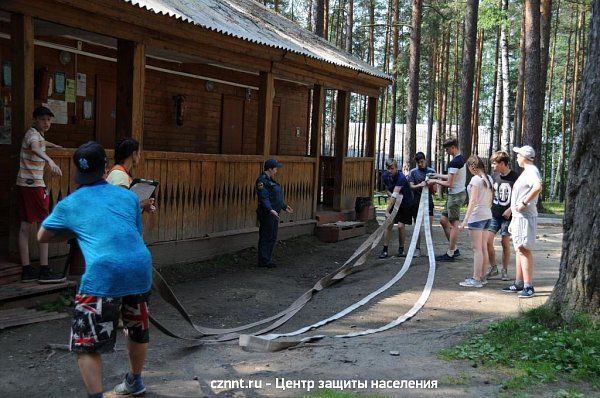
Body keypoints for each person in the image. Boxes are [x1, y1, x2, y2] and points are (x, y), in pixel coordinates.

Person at [38, 141, 153, 397]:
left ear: (78, 173)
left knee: (86, 345)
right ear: (104, 169)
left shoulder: (72, 202)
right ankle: (135, 381)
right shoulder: (128, 196)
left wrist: (78, 230)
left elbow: (42, 235)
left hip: (103, 274)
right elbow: (134, 233)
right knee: (137, 329)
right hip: (139, 267)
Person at [17, 105, 65, 283]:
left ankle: (27, 269)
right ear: (35, 120)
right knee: (43, 225)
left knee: (25, 226)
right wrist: (50, 160)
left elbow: (41, 143)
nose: (46, 123)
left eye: (49, 120)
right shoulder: (32, 135)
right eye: (43, 119)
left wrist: (54, 145)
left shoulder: (35, 135)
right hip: (33, 185)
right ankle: (44, 269)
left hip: (24, 184)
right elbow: (36, 147)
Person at [502, 145, 542, 298]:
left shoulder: (531, 171)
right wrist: (513, 220)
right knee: (519, 249)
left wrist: (524, 202)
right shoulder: (526, 172)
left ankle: (528, 286)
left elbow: (537, 187)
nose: (516, 157)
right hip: (519, 218)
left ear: (525, 157)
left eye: (518, 155)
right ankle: (519, 283)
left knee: (524, 249)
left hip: (526, 217)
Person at [428, 138, 467, 262]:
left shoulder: (455, 162)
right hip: (455, 194)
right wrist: (437, 175)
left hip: (455, 195)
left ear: (453, 147)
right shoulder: (459, 159)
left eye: (448, 149)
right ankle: (454, 248)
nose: (447, 151)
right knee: (444, 221)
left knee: (454, 224)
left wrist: (434, 181)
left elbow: (450, 183)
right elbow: (451, 177)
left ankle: (450, 253)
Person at [458, 156, 494, 288]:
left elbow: (472, 201)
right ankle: (482, 276)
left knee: (477, 249)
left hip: (477, 216)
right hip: (487, 215)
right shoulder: (488, 178)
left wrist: (465, 220)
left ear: (472, 167)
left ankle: (476, 278)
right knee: (483, 247)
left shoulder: (475, 180)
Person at [485, 151, 519, 281]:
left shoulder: (515, 177)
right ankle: (494, 268)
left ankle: (504, 270)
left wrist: (510, 209)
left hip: (508, 217)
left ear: (502, 163)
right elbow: (492, 192)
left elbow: (520, 196)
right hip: (494, 215)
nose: (493, 166)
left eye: (495, 164)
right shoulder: (494, 176)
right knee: (488, 241)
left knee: (505, 242)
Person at [256, 159, 293, 268]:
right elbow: (264, 197)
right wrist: (270, 209)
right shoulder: (261, 181)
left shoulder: (270, 180)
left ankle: (267, 259)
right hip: (267, 213)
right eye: (275, 168)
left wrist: (284, 206)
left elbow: (275, 197)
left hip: (274, 213)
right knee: (266, 236)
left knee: (272, 236)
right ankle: (263, 260)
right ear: (270, 169)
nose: (277, 170)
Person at [106, 138, 156, 213]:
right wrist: (142, 204)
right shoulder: (119, 176)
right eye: (139, 153)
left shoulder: (120, 173)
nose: (139, 157)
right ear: (134, 154)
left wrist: (145, 206)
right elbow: (119, 208)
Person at [379, 159, 414, 259]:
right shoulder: (385, 176)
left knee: (400, 226)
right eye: (388, 168)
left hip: (405, 203)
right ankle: (385, 250)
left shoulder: (401, 178)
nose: (390, 171)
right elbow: (389, 191)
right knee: (388, 223)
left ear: (396, 168)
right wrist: (393, 196)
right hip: (394, 201)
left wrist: (386, 210)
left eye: (392, 168)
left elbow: (394, 194)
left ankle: (401, 249)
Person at [408, 152, 437, 258]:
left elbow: (435, 191)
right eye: (418, 162)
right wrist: (420, 185)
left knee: (429, 226)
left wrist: (431, 184)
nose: (420, 164)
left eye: (422, 162)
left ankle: (430, 249)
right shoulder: (413, 172)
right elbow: (411, 186)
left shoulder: (432, 171)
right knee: (417, 226)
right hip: (416, 202)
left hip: (429, 202)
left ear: (425, 160)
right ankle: (417, 249)